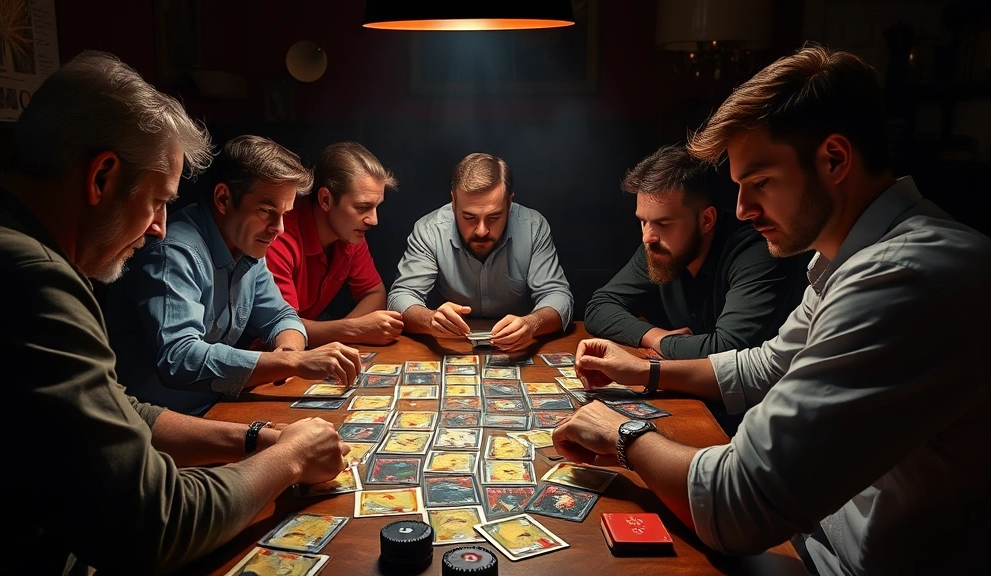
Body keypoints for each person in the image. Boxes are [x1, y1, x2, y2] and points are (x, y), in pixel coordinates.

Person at [553, 44, 990, 576]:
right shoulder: (847, 256)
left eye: (759, 183)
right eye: (739, 187)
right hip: (810, 537)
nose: (742, 210)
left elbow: (739, 506)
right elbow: (763, 366)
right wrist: (643, 370)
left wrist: (622, 433)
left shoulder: (903, 276)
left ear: (834, 159)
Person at [0, 50, 349, 576]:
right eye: (157, 201)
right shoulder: (26, 274)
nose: (158, 229)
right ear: (102, 177)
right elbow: (154, 524)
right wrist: (289, 460)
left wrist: (259, 437)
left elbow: (126, 410)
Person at [102, 135, 361, 416]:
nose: (280, 228)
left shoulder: (247, 246)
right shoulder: (173, 252)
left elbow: (280, 317)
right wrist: (295, 364)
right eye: (267, 212)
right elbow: (179, 358)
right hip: (160, 427)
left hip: (216, 406)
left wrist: (288, 354)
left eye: (285, 213)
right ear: (223, 198)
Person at [584, 144, 804, 358]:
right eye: (643, 221)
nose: (647, 237)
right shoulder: (657, 246)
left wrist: (667, 346)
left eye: (664, 223)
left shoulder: (756, 252)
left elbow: (728, 351)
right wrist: (654, 337)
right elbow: (599, 307)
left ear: (707, 220)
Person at [387, 152, 573, 352]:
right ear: (453, 202)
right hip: (452, 348)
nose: (482, 230)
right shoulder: (429, 230)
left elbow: (558, 295)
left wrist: (532, 324)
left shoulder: (533, 226)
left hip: (517, 349)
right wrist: (431, 320)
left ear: (510, 203)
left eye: (494, 217)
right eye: (469, 217)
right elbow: (401, 296)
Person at [266, 141, 404, 346]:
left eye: (376, 207)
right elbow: (280, 327)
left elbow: (374, 293)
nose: (373, 220)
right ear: (325, 200)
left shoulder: (350, 234)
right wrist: (353, 330)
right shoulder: (279, 235)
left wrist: (343, 331)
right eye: (362, 207)